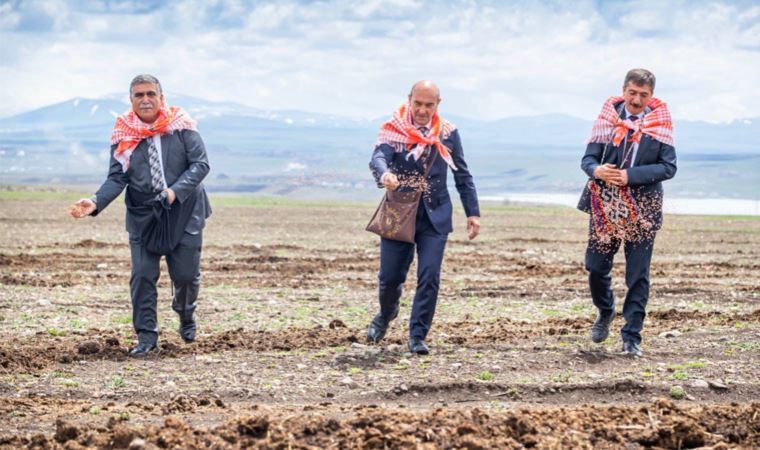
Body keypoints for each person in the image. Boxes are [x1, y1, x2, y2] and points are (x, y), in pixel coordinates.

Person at [70, 74, 211, 356]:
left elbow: (200, 165)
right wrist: (95, 201)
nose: (145, 99)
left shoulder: (182, 126)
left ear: (161, 96)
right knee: (143, 275)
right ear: (131, 100)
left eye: (150, 94)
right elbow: (116, 178)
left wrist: (173, 191)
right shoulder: (124, 132)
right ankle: (147, 335)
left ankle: (185, 313)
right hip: (144, 214)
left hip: (183, 210)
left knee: (185, 276)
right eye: (139, 95)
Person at [367, 80, 480, 355]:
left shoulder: (449, 133)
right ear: (409, 100)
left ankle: (417, 336)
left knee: (429, 276)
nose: (422, 110)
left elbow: (462, 175)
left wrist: (472, 213)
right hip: (399, 213)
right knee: (390, 279)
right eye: (418, 103)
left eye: (429, 105)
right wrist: (385, 175)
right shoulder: (393, 129)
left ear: (437, 105)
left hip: (435, 216)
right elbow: (379, 157)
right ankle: (386, 313)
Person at [578, 68, 677, 357]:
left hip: (644, 209)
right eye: (632, 93)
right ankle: (605, 310)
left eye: (643, 95)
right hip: (606, 205)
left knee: (638, 275)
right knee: (595, 266)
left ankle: (631, 336)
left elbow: (669, 167)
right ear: (624, 90)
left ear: (651, 96)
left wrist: (630, 176)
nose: (636, 100)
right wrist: (596, 169)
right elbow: (588, 159)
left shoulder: (661, 123)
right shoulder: (608, 117)